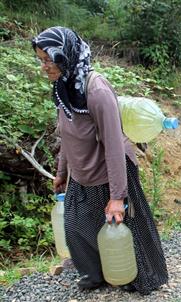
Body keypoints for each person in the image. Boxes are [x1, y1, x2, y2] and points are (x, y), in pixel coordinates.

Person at [32, 26, 168, 294]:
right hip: (82, 171)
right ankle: (96, 273)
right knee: (75, 227)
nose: (43, 67)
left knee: (121, 224)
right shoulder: (64, 87)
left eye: (48, 59)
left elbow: (115, 144)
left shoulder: (96, 89)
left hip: (111, 170)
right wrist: (61, 171)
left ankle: (134, 275)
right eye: (41, 60)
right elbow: (67, 134)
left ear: (64, 55)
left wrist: (118, 196)